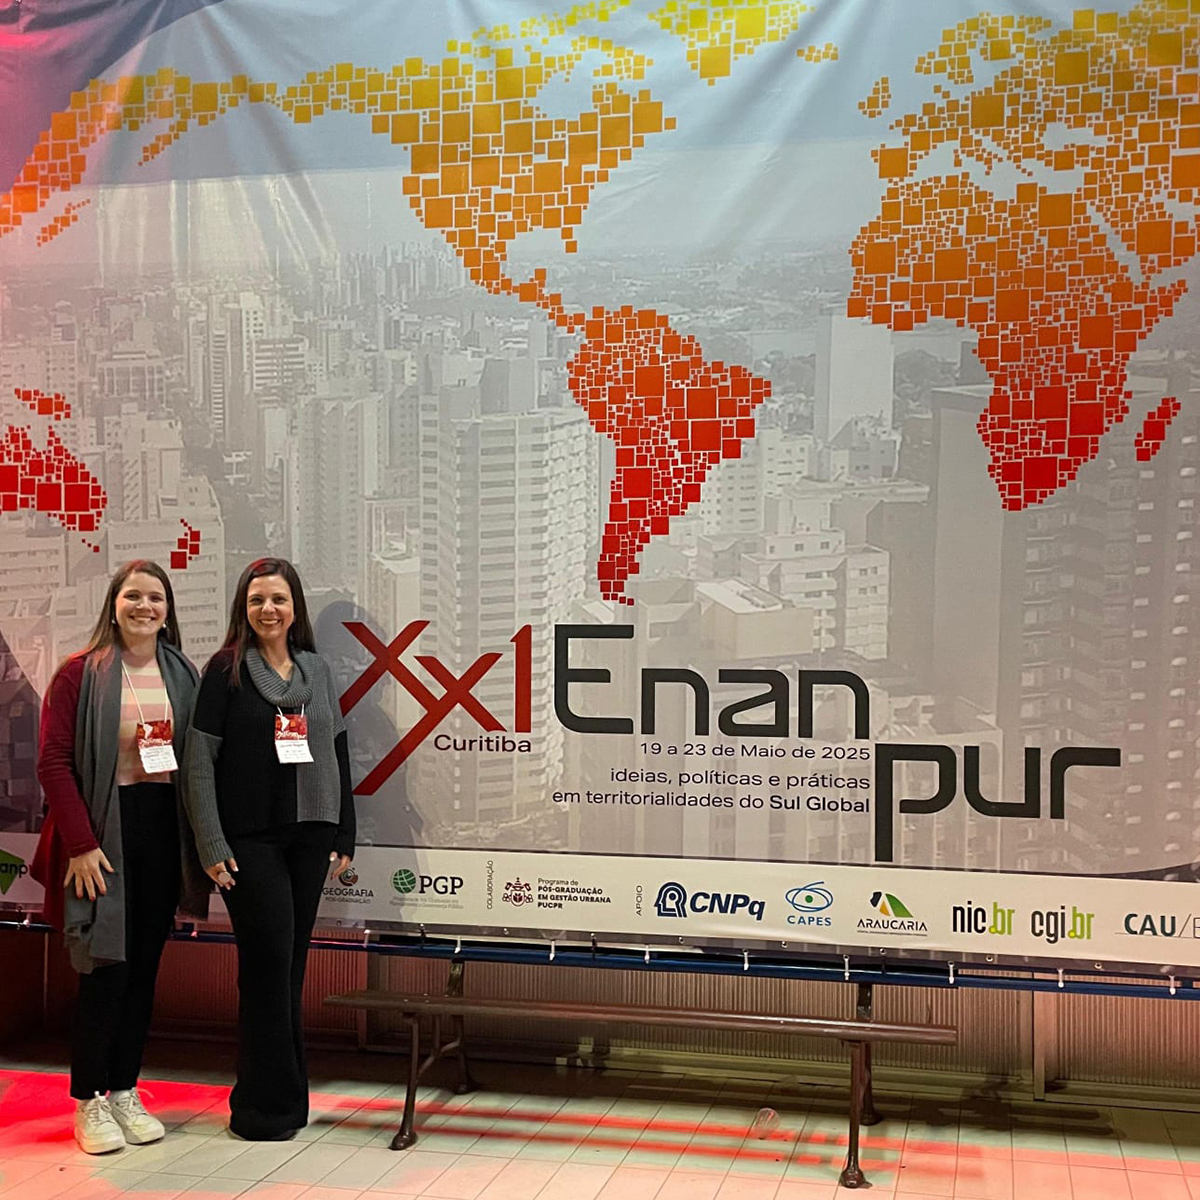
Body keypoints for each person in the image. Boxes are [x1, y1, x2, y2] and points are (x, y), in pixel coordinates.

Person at [32, 560, 207, 1155]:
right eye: (133, 595)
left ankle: (126, 1088)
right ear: (114, 604)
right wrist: (82, 845)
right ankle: (89, 1099)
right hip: (103, 832)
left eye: (155, 597)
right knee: (106, 968)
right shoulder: (79, 674)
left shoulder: (182, 673)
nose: (144, 606)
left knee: (144, 970)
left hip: (161, 830)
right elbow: (53, 762)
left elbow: (195, 762)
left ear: (168, 610)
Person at [183, 557, 355, 1141]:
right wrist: (210, 840)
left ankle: (285, 1099)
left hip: (311, 835)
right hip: (247, 840)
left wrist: (344, 830)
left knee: (289, 969)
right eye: (257, 600)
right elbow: (199, 762)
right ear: (244, 607)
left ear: (295, 607)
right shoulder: (225, 669)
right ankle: (260, 1107)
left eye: (278, 599)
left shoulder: (316, 670)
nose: (268, 609)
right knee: (266, 967)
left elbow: (336, 750)